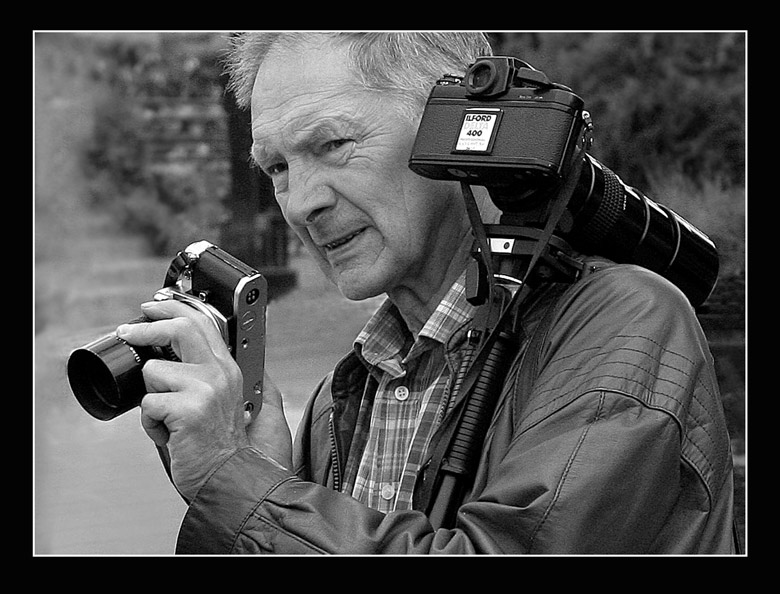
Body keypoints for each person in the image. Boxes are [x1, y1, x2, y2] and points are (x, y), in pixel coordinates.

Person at [117, 32, 737, 554]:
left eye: (332, 145)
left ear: (454, 129)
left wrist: (235, 481)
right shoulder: (344, 394)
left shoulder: (624, 324)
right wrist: (269, 476)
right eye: (277, 168)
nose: (301, 204)